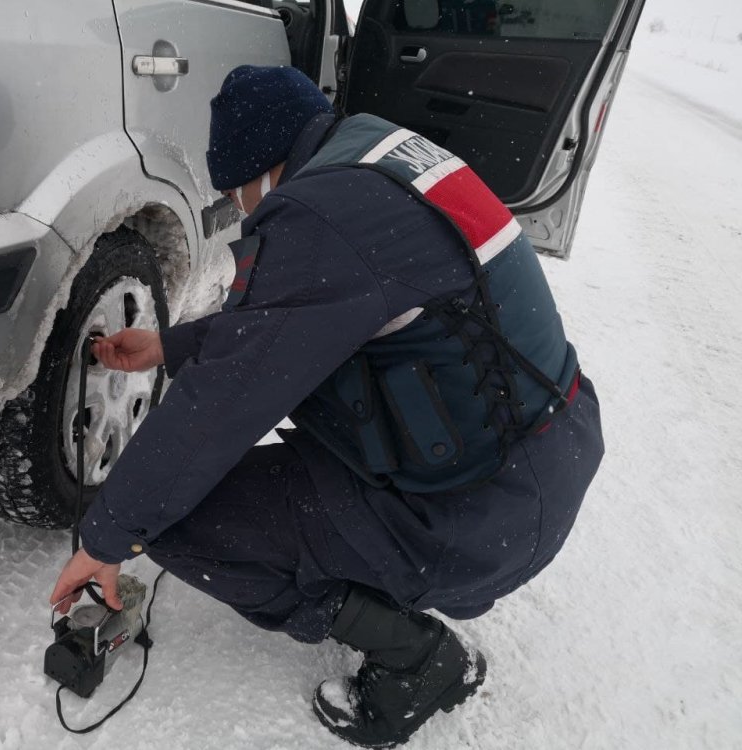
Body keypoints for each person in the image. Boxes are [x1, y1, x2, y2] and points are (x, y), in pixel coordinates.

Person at [50, 65, 604, 748]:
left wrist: (107, 537)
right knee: (218, 470)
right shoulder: (372, 155)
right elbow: (293, 318)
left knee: (177, 521)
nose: (242, 208)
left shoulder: (319, 218)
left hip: (477, 510)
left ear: (260, 170)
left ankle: (418, 658)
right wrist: (169, 345)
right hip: (533, 457)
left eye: (236, 193)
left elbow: (220, 405)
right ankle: (385, 565)